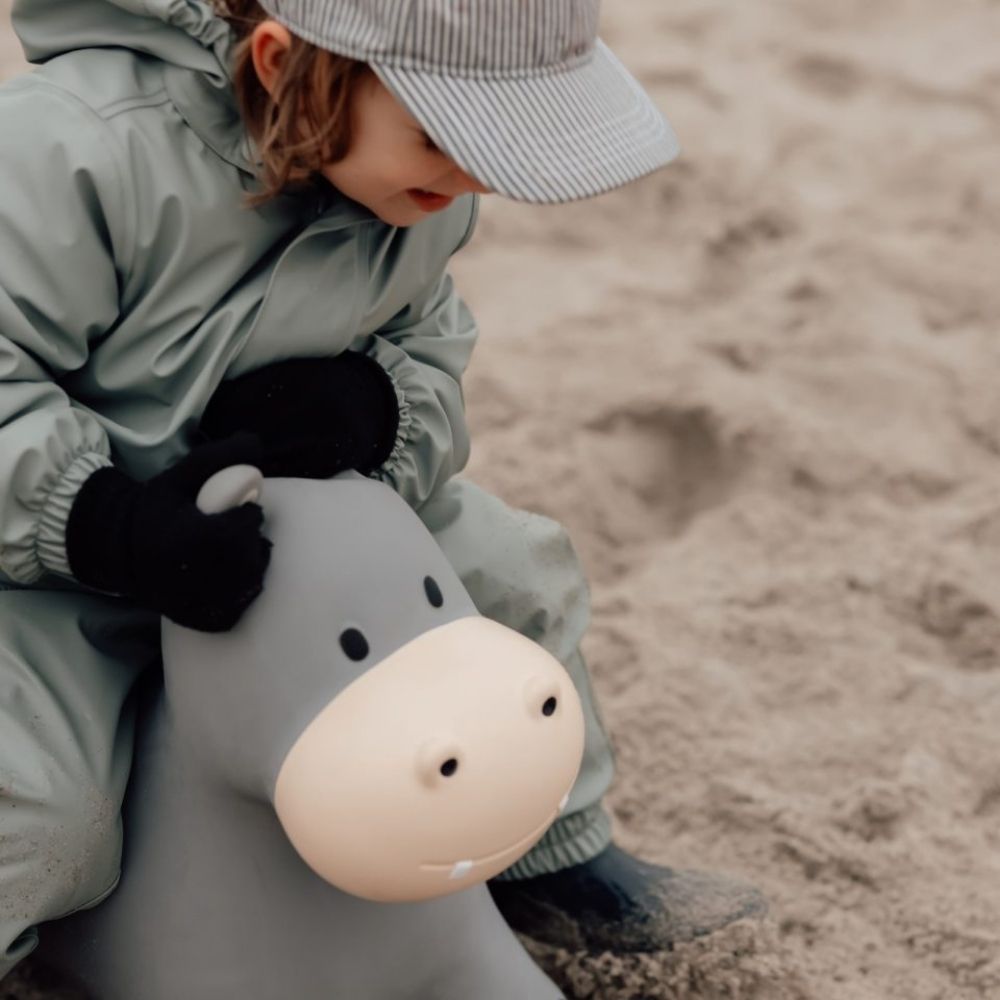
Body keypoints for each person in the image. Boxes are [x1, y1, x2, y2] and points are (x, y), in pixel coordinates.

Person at [0, 0, 765, 978]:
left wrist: (379, 408)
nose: (475, 176)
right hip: (65, 559)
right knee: (42, 805)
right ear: (281, 66)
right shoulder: (79, 153)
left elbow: (430, 347)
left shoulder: (418, 193)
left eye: (507, 143)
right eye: (448, 135)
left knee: (513, 570)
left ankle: (554, 846)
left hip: (299, 526)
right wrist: (100, 519)